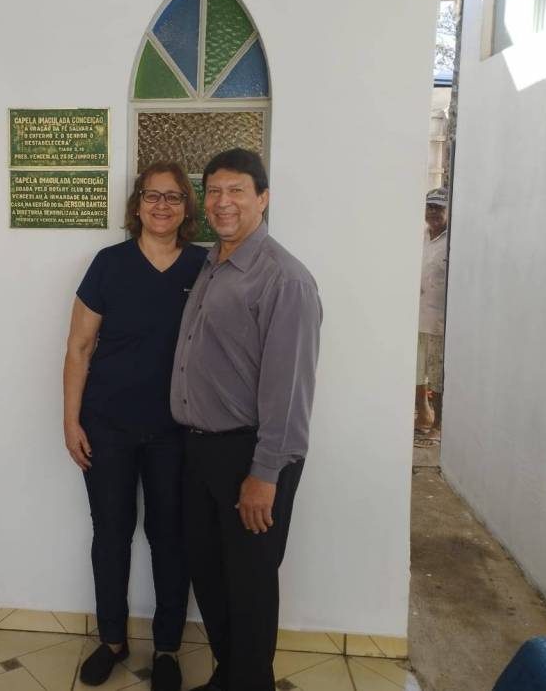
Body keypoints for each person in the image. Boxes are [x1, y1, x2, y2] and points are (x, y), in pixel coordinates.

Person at [171, 148, 322, 691]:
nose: (223, 202)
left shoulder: (285, 279)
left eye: (236, 190)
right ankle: (228, 676)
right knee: (209, 575)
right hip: (201, 451)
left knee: (250, 587)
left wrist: (264, 475)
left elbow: (289, 391)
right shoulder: (212, 263)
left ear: (263, 199)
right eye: (213, 191)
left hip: (251, 457)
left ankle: (251, 682)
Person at [63, 162, 208, 691]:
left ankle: (167, 647)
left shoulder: (205, 266)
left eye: (173, 197)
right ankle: (112, 641)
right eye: (152, 196)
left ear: (187, 208)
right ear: (137, 205)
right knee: (111, 535)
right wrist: (70, 420)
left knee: (170, 538)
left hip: (177, 432)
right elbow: (79, 347)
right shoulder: (109, 264)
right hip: (107, 427)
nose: (162, 206)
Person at [415, 186, 448, 435]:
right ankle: (424, 414)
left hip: (440, 319)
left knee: (437, 373)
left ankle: (438, 423)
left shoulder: (452, 241)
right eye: (430, 207)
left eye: (439, 208)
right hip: (416, 316)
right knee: (416, 369)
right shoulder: (420, 235)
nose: (433, 212)